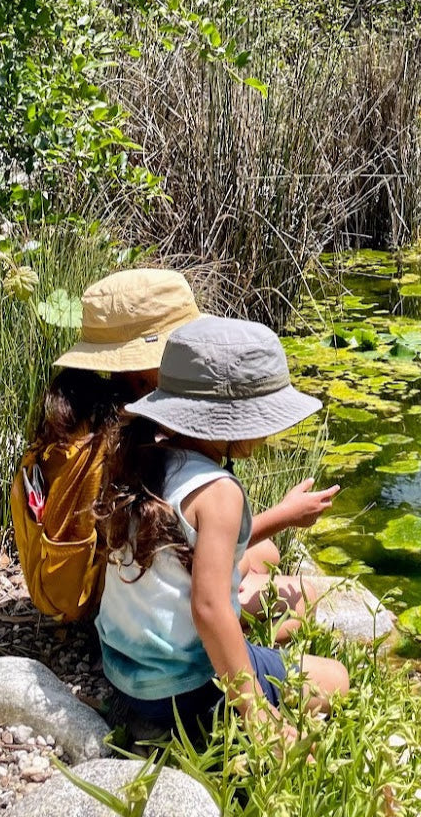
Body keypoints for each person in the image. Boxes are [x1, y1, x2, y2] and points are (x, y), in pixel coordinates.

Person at [96, 315, 350, 741]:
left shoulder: (143, 456)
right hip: (181, 689)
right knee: (336, 679)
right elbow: (209, 609)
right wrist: (258, 717)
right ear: (238, 420)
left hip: (125, 670)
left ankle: (247, 650)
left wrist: (285, 514)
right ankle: (234, 684)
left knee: (266, 557)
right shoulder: (220, 492)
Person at [45, 267, 332, 629]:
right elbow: (174, 546)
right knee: (302, 598)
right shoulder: (121, 440)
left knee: (267, 553)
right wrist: (286, 515)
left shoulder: (84, 413)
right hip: (132, 599)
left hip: (125, 578)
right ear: (143, 374)